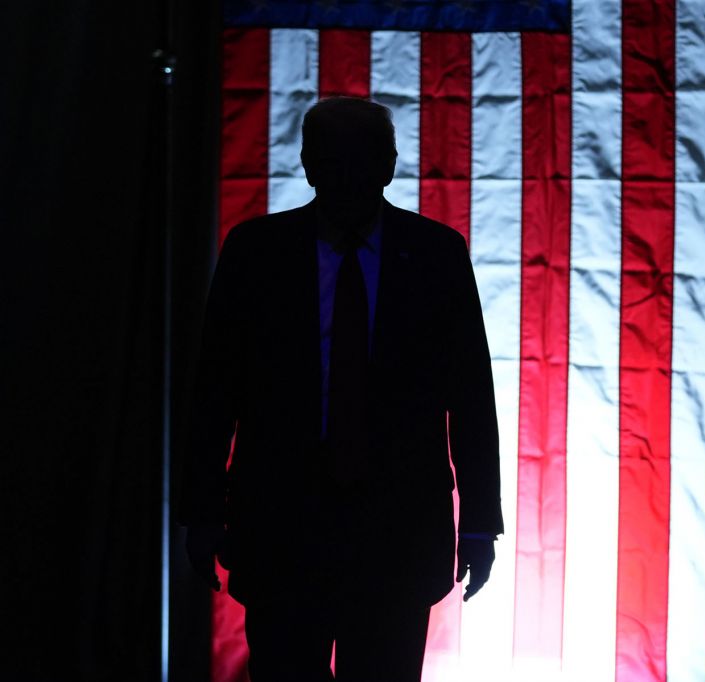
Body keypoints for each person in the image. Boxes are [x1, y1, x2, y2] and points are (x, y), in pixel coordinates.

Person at [179, 96, 503, 681]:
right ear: (308, 164)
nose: (349, 175)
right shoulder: (255, 253)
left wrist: (481, 521)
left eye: (362, 159)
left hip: (395, 538)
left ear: (390, 163)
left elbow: (471, 397)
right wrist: (202, 512)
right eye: (335, 159)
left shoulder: (437, 255)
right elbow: (215, 392)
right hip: (282, 530)